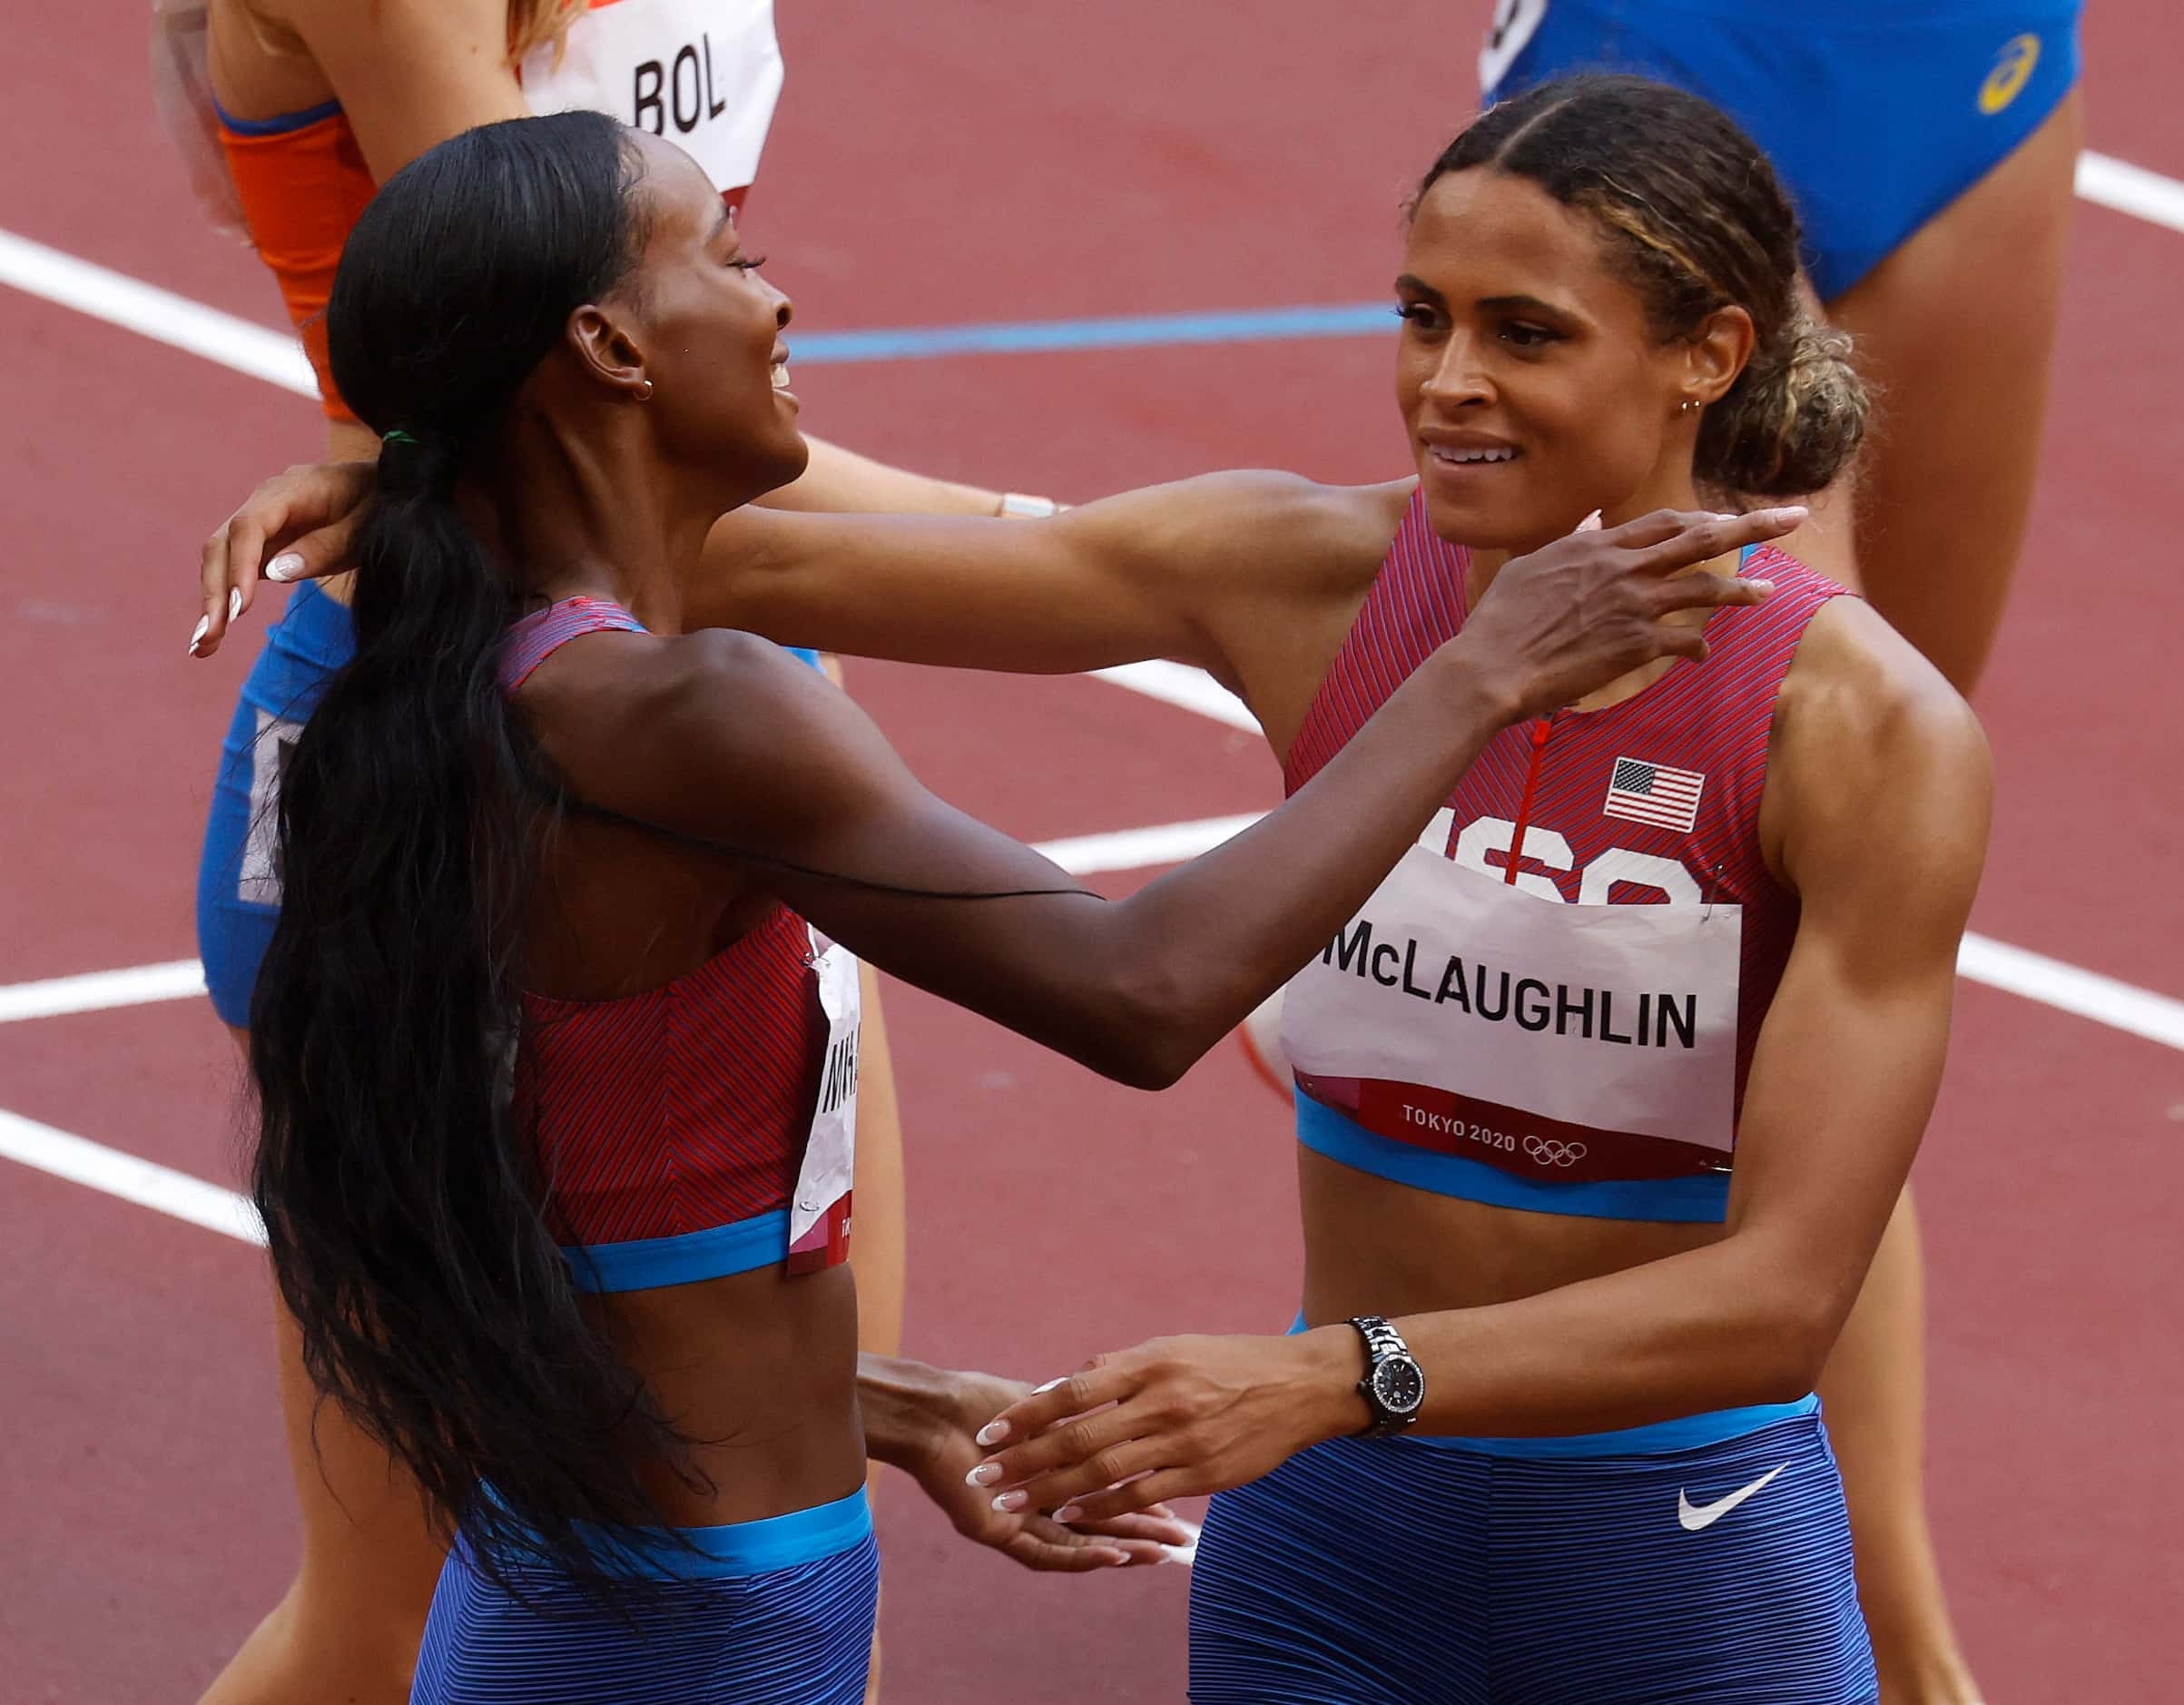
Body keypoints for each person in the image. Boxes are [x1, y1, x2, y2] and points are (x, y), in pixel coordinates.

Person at [241, 106, 1788, 1700]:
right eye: (731, 258)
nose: (777, 300)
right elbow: (1137, 991)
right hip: (682, 1624)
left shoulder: (508, 668)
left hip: (647, 1579)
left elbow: (597, 1236)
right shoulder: (686, 711)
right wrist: (1477, 674)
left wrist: (894, 1404)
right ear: (610, 347)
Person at [157, 3, 1052, 1696]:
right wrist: (1139, 578)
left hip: (732, 679)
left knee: (794, 1520)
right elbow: (568, 390)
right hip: (456, 739)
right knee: (388, 1617)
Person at [1467, 14, 2081, 1697]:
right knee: (1739, 913)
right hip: (1678, 65)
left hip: (1963, 65)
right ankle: (1893, 1658)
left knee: (1878, 805)